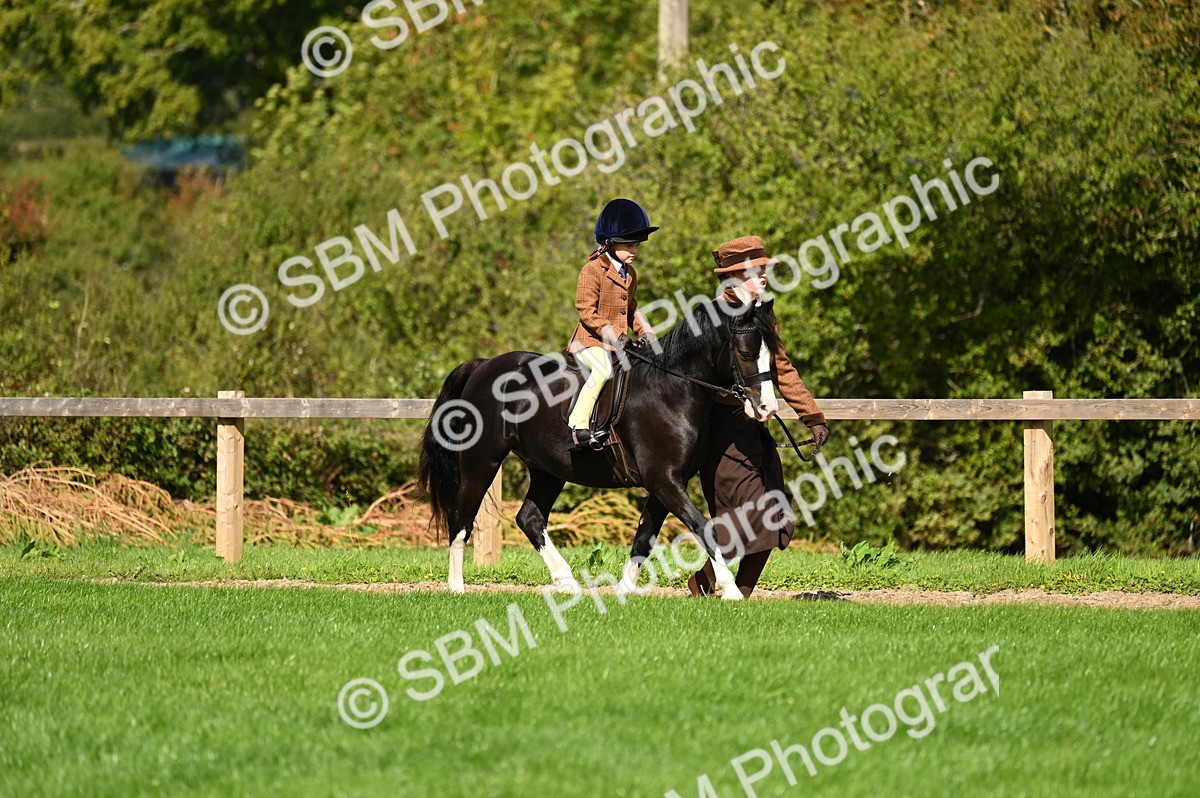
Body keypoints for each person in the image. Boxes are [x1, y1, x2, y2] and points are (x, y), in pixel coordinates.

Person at [689, 235, 832, 597]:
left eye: (764, 270)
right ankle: (703, 584)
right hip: (720, 431)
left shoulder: (764, 311)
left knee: (775, 512)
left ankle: (739, 593)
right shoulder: (710, 317)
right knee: (745, 518)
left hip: (755, 429)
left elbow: (781, 367)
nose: (764, 276)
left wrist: (811, 416)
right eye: (756, 271)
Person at [565, 198, 657, 450]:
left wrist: (646, 332)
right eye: (629, 245)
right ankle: (579, 426)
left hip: (618, 343)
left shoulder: (630, 274)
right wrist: (616, 334)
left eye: (637, 245)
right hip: (590, 342)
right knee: (604, 369)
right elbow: (586, 310)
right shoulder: (592, 270)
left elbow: (632, 308)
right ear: (609, 242)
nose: (635, 251)